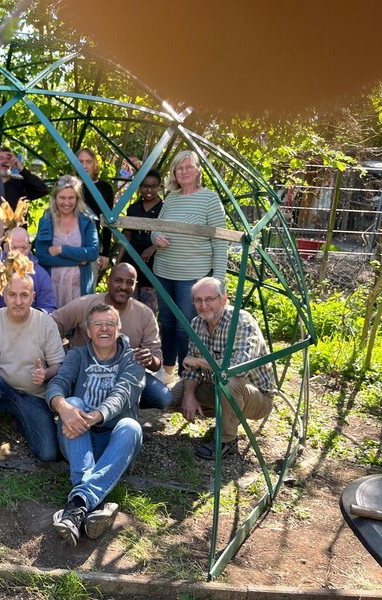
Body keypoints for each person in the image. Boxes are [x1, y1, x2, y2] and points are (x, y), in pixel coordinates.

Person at [47, 304, 145, 545]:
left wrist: (95, 416)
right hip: (79, 440)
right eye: (98, 324)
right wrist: (64, 408)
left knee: (132, 427)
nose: (104, 329)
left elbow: (122, 394)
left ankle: (77, 506)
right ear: (88, 331)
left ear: (118, 329)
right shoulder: (77, 355)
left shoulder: (133, 359)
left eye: (110, 324)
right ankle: (94, 503)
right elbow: (57, 384)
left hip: (114, 444)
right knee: (72, 401)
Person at [171, 277, 275, 460]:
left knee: (229, 382)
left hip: (256, 397)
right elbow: (190, 368)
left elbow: (237, 368)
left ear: (224, 299)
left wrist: (199, 361)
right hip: (216, 389)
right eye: (198, 300)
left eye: (210, 299)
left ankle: (227, 441)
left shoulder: (241, 321)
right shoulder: (196, 323)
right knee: (174, 395)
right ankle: (222, 416)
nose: (204, 305)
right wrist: (189, 395)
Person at [51, 263, 172, 410]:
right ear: (108, 280)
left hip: (125, 374)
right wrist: (55, 357)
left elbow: (157, 361)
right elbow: (52, 324)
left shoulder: (144, 313)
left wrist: (150, 359)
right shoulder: (85, 304)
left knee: (163, 397)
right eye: (118, 280)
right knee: (64, 389)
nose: (123, 286)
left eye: (129, 282)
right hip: (86, 371)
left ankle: (124, 407)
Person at [0, 274, 65, 460]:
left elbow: (58, 365)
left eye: (24, 295)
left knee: (48, 454)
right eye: (12, 295)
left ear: (33, 297)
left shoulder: (46, 323)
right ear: (4, 296)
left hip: (33, 395)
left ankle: (21, 419)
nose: (18, 301)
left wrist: (45, 374)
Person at [151, 150, 227, 377]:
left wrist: (219, 282)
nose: (183, 172)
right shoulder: (172, 198)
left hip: (192, 276)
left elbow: (221, 240)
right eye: (179, 168)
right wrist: (156, 238)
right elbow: (156, 227)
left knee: (186, 326)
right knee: (165, 321)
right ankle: (167, 369)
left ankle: (188, 375)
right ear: (174, 173)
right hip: (164, 270)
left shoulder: (210, 198)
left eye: (188, 167)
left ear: (198, 171)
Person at [34, 175, 99, 308]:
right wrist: (77, 260)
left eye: (71, 198)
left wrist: (61, 250)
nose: (67, 202)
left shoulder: (86, 218)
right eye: (62, 198)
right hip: (53, 285)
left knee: (80, 323)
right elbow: (42, 256)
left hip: (79, 286)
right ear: (55, 198)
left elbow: (92, 253)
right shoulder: (47, 219)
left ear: (77, 198)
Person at [0, 226, 57, 313]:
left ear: (30, 248)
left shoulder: (40, 274)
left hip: (27, 323)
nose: (18, 252)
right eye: (14, 248)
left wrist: (32, 317)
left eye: (23, 248)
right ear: (5, 247)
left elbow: (48, 308)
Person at [118, 169, 162, 314]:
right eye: (145, 186)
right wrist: (118, 263)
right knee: (127, 304)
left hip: (153, 262)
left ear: (159, 187)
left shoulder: (164, 208)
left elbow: (169, 236)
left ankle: (146, 335)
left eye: (153, 186)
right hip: (132, 258)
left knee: (148, 307)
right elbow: (127, 236)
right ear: (140, 187)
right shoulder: (133, 208)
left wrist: (153, 247)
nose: (149, 190)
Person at [77, 148, 115, 273]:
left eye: (88, 162)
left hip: (92, 244)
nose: (84, 166)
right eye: (80, 162)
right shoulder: (70, 185)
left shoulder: (105, 188)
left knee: (88, 288)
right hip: (69, 242)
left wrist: (105, 253)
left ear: (95, 164)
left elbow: (108, 221)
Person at [0, 146, 49, 211]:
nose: (5, 161)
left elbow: (43, 189)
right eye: (0, 158)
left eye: (8, 159)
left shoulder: (20, 185)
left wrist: (21, 169)